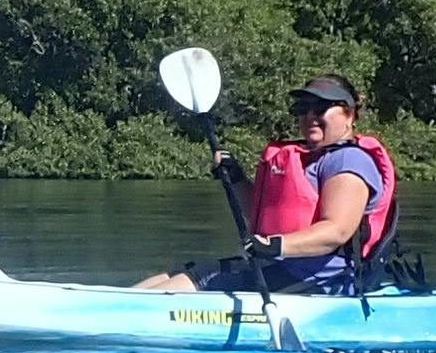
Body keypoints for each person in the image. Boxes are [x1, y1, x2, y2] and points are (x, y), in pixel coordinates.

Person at [134, 73, 397, 294]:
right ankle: (112, 306)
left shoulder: (348, 161)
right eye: (302, 109)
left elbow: (336, 232)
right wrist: (236, 178)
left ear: (349, 114)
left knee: (198, 280)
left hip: (323, 281)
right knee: (178, 275)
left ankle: (124, 315)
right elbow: (265, 218)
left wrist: (275, 246)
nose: (310, 116)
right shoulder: (306, 158)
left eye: (321, 108)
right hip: (282, 266)